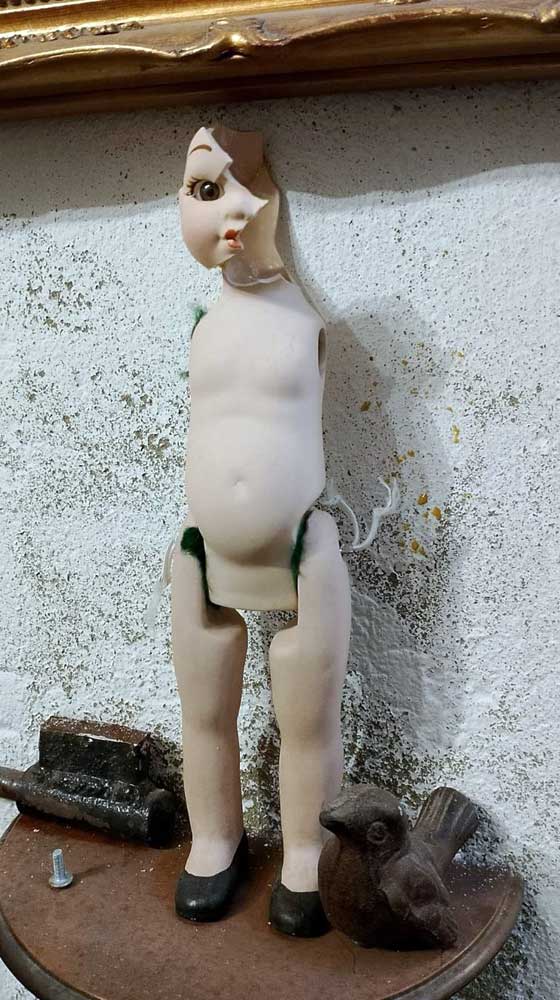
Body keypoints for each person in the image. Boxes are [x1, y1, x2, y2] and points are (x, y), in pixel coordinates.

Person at [172, 124, 351, 937]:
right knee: (203, 711)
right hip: (202, 551)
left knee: (307, 715)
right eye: (205, 190)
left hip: (301, 551)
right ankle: (215, 837)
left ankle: (307, 851)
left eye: (246, 189)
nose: (230, 211)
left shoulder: (306, 321)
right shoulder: (204, 324)